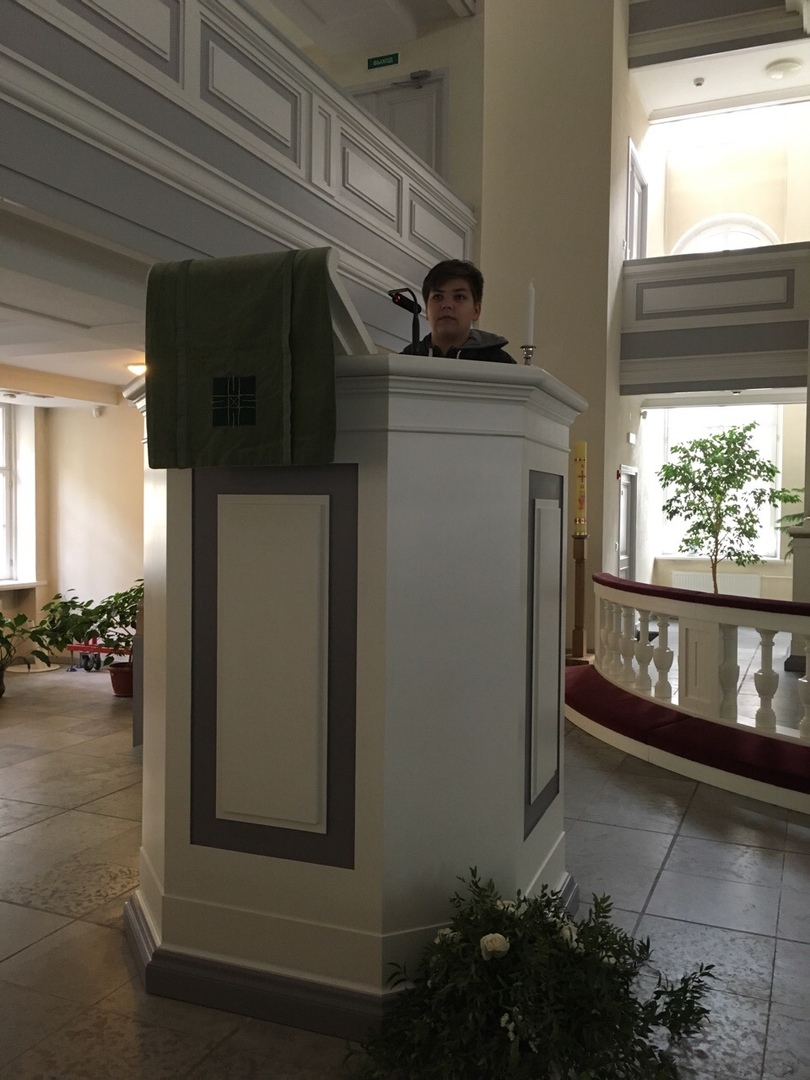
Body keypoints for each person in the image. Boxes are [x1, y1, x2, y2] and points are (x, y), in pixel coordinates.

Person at [401, 259, 516, 364]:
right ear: (427, 309)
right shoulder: (404, 362)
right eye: (438, 297)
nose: (446, 305)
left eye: (459, 297)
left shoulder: (501, 364)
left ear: (476, 310)